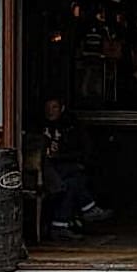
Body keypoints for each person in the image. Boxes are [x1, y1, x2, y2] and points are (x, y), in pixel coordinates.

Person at [41, 97, 112, 240]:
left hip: (59, 172)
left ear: (61, 109)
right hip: (42, 171)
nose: (50, 111)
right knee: (75, 175)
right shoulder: (37, 127)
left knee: (71, 183)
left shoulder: (70, 127)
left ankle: (59, 227)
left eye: (54, 107)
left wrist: (61, 155)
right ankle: (88, 208)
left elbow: (81, 150)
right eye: (48, 107)